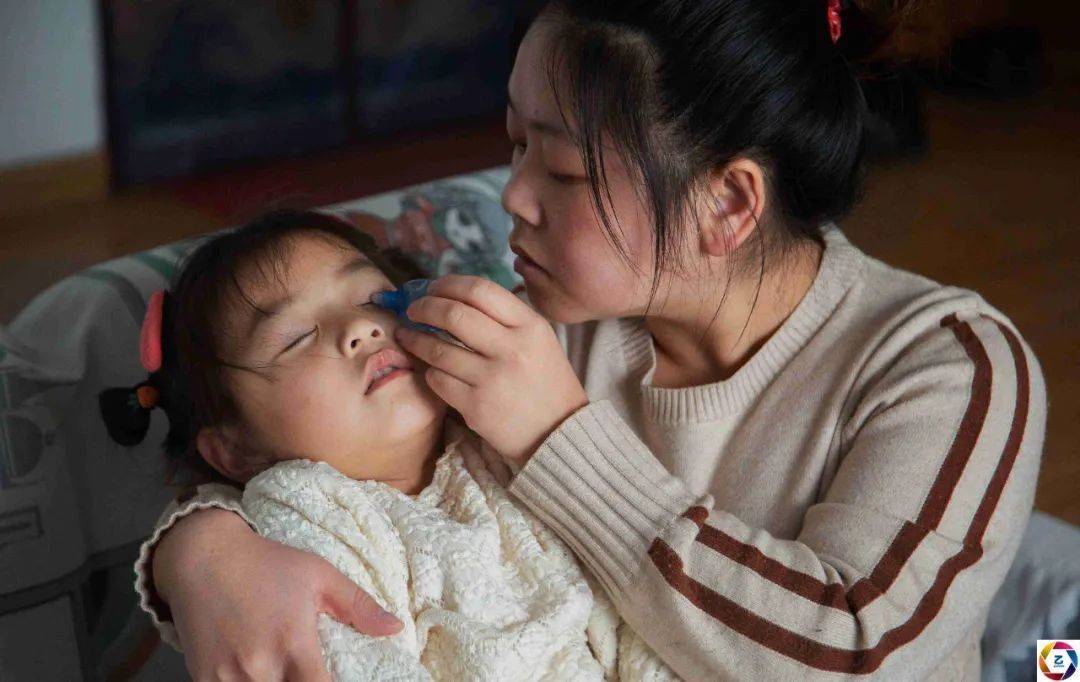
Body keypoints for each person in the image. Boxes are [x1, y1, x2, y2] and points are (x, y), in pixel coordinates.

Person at [136, 1, 1047, 679]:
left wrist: (556, 439)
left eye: (563, 170)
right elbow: (304, 449)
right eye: (513, 143)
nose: (511, 197)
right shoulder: (539, 327)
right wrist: (203, 551)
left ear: (727, 204)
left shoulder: (947, 366)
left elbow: (855, 653)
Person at [106, 210, 673, 679]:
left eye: (373, 297)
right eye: (296, 338)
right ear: (236, 450)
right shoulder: (305, 515)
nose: (361, 328)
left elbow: (623, 616)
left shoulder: (495, 434)